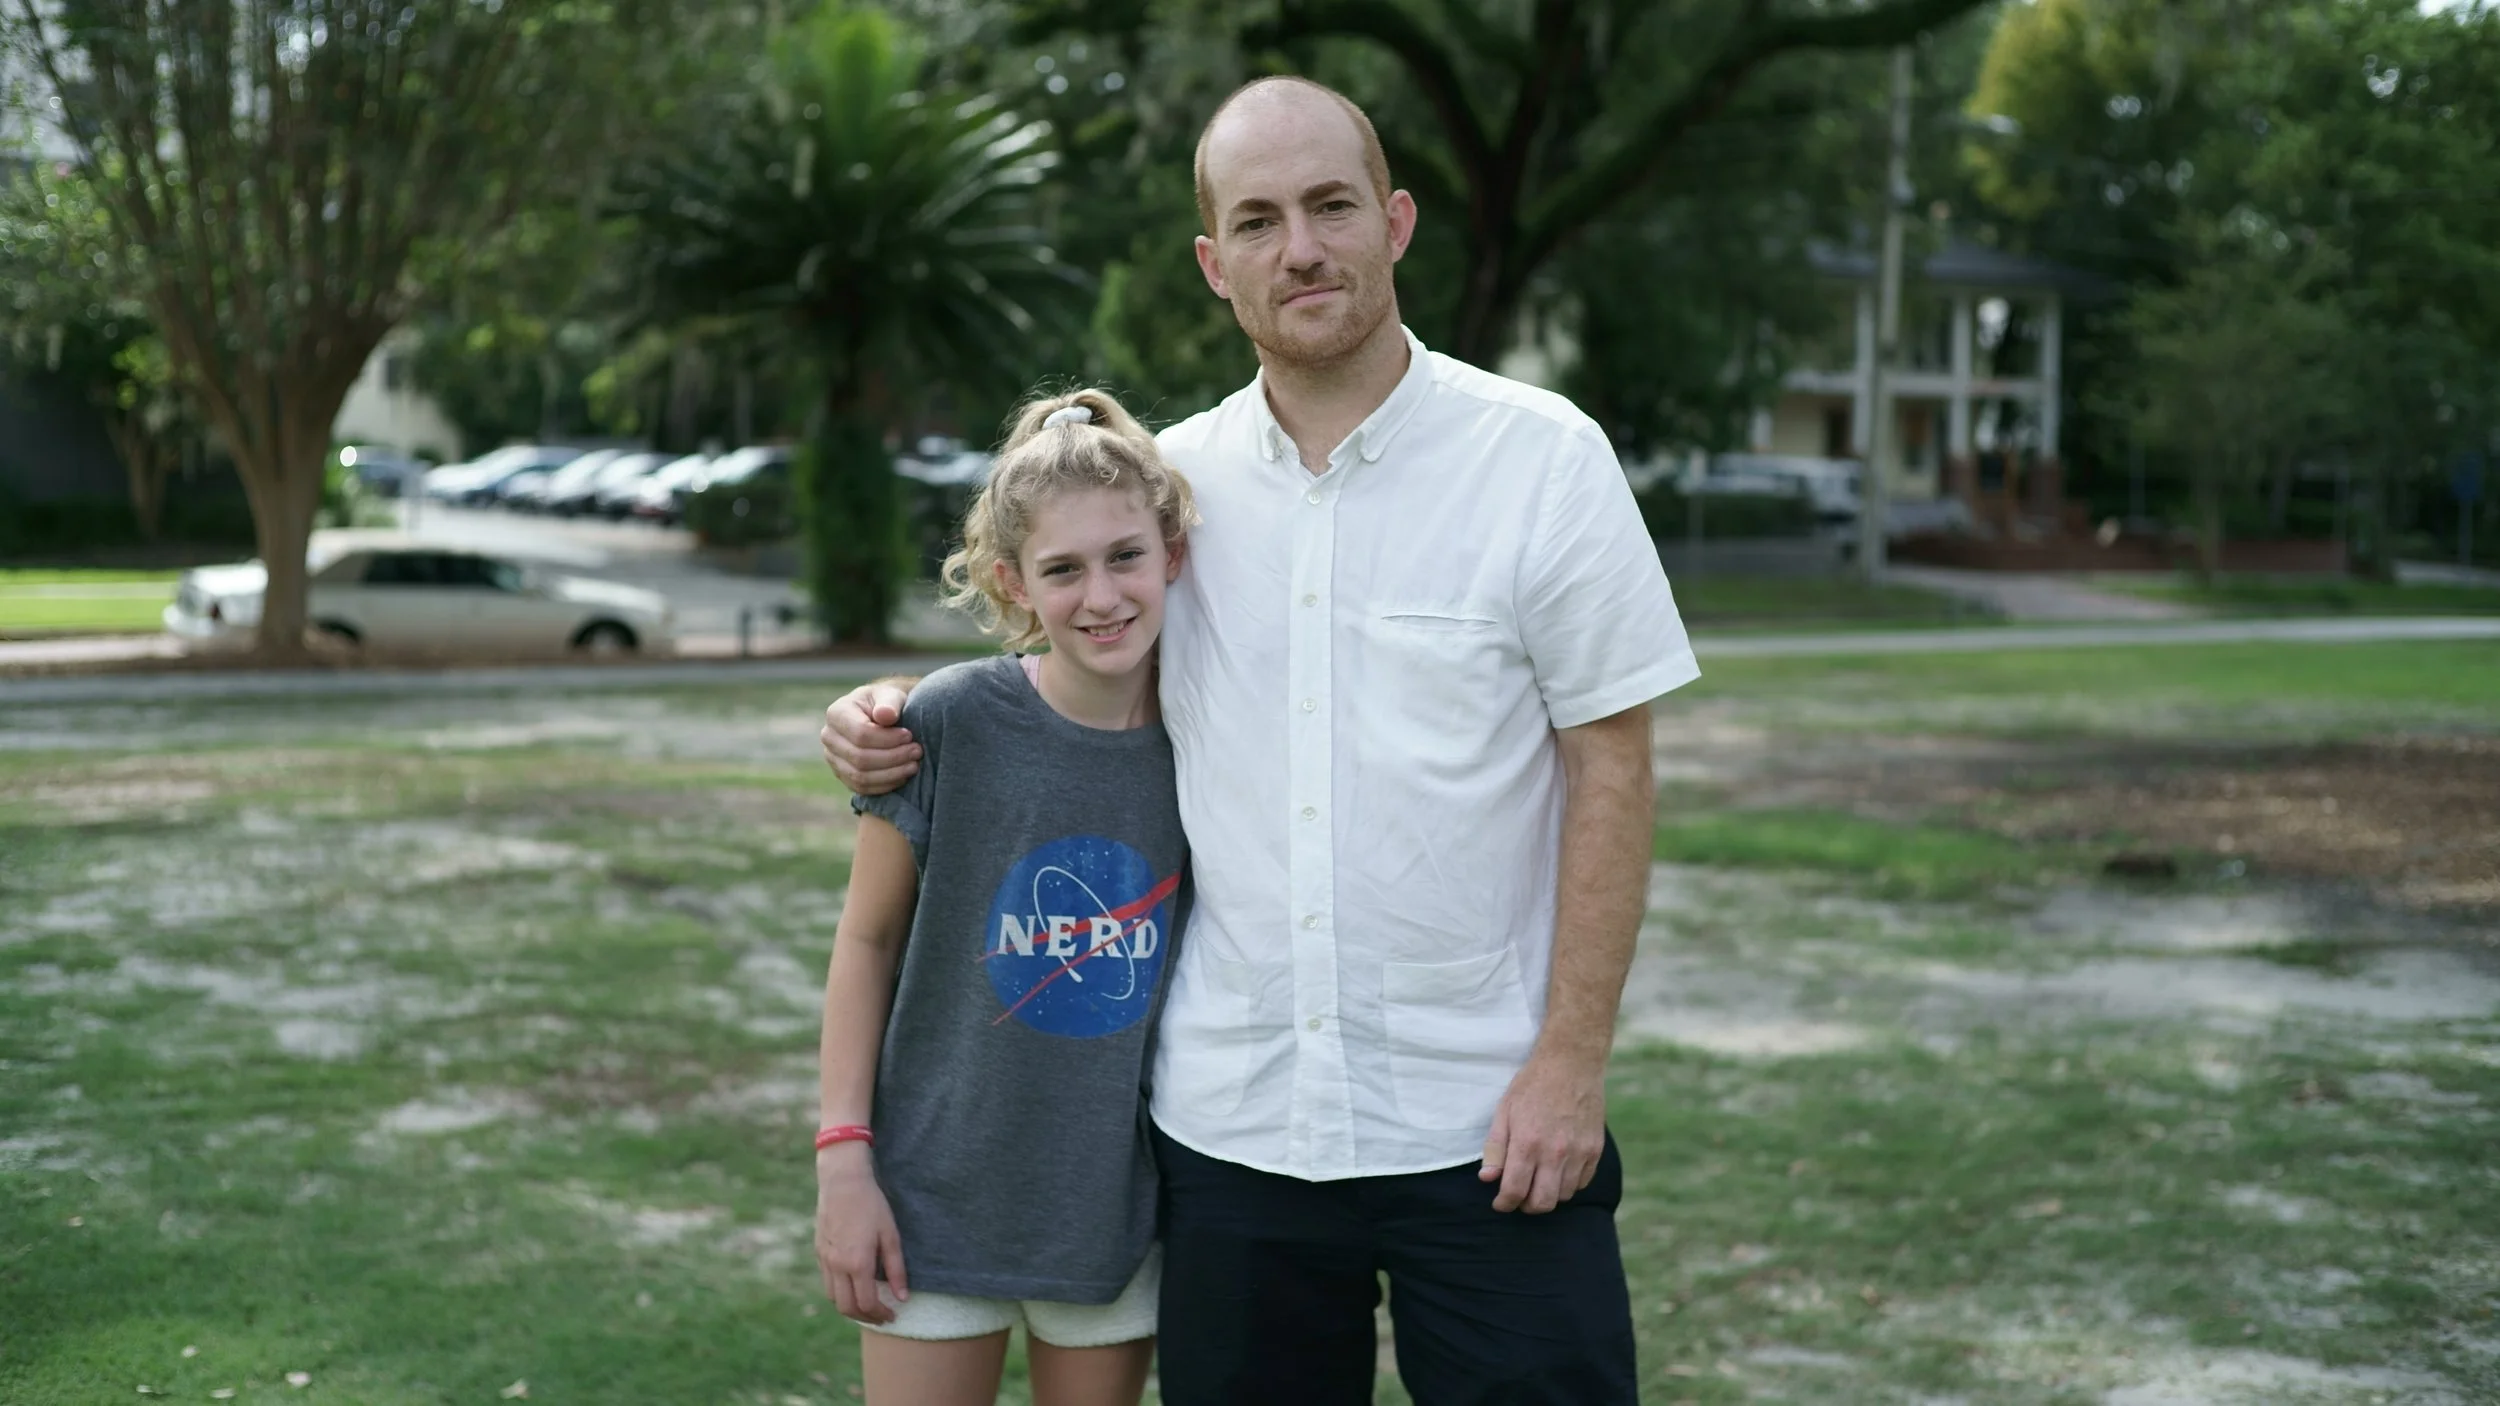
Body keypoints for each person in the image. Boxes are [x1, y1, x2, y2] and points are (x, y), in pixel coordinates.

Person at [823, 77, 1697, 1405]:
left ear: (1395, 222)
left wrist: (1571, 1066)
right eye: (1257, 219)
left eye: (1331, 206)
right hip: (1234, 1134)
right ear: (1212, 263)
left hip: (1491, 1119)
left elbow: (1613, 765)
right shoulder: (1170, 495)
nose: (1300, 248)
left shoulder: (1543, 459)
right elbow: (1059, 657)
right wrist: (888, 709)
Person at [811, 388, 1197, 1406]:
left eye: (1125, 556)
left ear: (1172, 554)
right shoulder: (947, 720)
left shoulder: (1212, 734)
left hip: (1110, 1208)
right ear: (1011, 581)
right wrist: (842, 1159)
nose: (1101, 595)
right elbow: (866, 940)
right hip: (928, 1195)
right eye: (1062, 569)